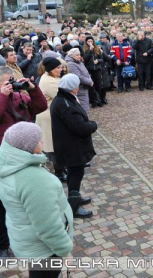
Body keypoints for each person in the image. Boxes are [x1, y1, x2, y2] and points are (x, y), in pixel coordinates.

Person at [0, 65, 47, 258]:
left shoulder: (19, 96)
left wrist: (32, 88)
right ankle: (2, 245)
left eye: (12, 80)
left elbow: (40, 107)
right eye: (7, 81)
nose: (11, 84)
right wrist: (2, 96)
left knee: (29, 200)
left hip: (23, 158)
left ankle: (30, 238)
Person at [0, 122, 73, 278]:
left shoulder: (8, 166)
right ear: (26, 147)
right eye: (38, 139)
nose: (42, 141)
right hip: (43, 251)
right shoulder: (33, 179)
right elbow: (48, 226)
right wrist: (65, 251)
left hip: (26, 242)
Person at [51, 74, 98, 218]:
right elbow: (80, 127)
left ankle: (74, 196)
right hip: (71, 147)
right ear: (73, 88)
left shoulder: (64, 99)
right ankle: (74, 207)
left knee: (74, 173)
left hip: (69, 145)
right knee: (76, 174)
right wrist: (93, 125)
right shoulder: (65, 104)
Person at [35, 57, 67, 182]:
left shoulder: (51, 78)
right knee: (53, 145)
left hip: (53, 115)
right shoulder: (48, 81)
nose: (61, 70)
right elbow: (62, 95)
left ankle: (62, 168)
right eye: (58, 68)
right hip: (48, 116)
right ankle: (59, 171)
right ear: (50, 70)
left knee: (57, 144)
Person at [84, 36, 104, 107]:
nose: (90, 43)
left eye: (91, 41)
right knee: (91, 86)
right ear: (86, 42)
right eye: (88, 41)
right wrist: (90, 50)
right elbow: (85, 60)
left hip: (97, 69)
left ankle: (99, 100)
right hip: (89, 70)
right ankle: (93, 101)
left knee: (98, 85)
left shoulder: (97, 49)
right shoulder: (85, 50)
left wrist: (98, 61)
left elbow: (102, 59)